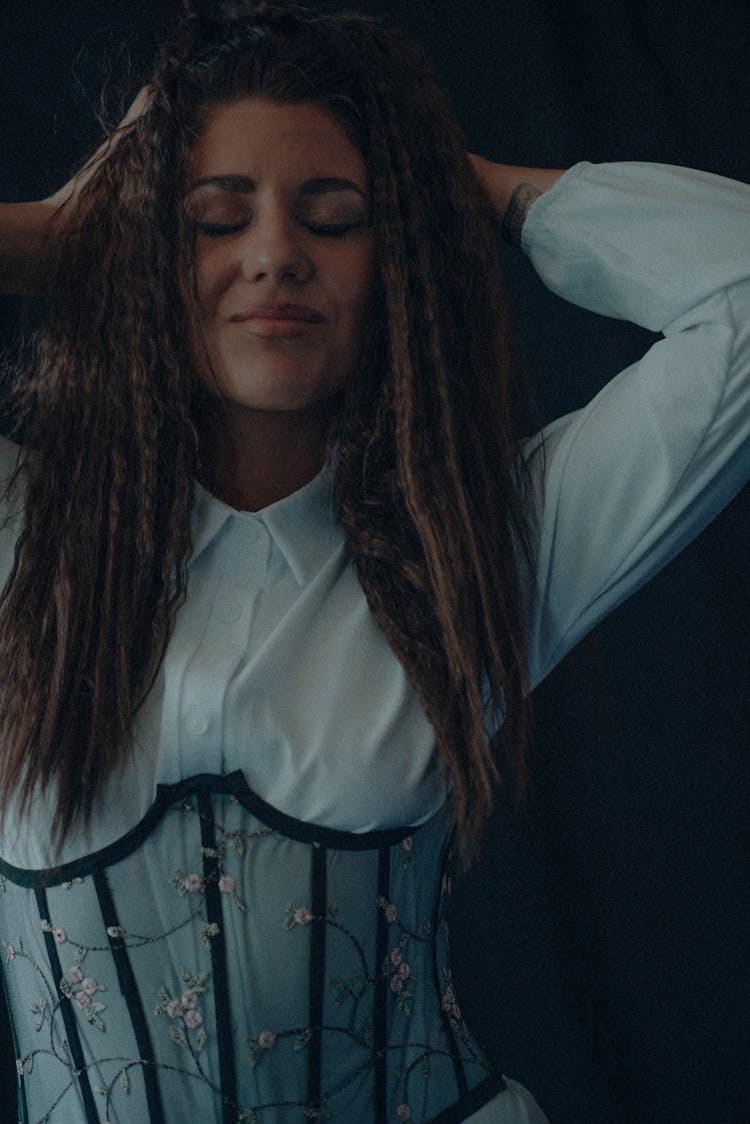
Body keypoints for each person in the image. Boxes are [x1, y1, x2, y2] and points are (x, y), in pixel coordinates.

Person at [0, 2, 747, 1121]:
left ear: (392, 256)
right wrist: (58, 232)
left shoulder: (478, 547)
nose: (275, 254)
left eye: (335, 214)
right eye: (214, 216)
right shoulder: (23, 528)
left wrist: (468, 189)